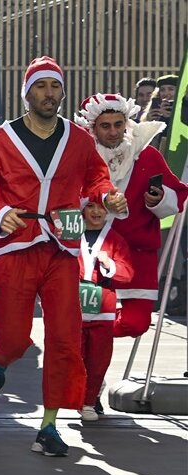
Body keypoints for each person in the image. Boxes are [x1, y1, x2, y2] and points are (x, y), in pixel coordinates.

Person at [0, 56, 128, 456]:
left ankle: (50, 424)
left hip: (62, 247)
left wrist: (105, 196)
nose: (49, 94)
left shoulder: (78, 139)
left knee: (64, 337)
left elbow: (95, 176)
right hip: (18, 244)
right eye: (41, 86)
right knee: (16, 339)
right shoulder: (2, 139)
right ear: (27, 92)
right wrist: (1, 215)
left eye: (54, 86)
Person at [73, 93, 188, 339]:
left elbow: (178, 194)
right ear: (92, 128)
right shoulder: (79, 159)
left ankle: (96, 332)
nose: (113, 132)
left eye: (119, 124)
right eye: (105, 126)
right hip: (89, 258)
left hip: (137, 257)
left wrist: (159, 199)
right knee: (79, 320)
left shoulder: (148, 156)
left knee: (136, 324)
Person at [77, 200, 132, 421]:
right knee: (74, 358)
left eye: (101, 207)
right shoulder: (70, 235)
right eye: (91, 206)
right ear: (82, 209)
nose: (97, 211)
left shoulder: (115, 239)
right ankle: (77, 397)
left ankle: (89, 402)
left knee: (98, 361)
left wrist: (109, 264)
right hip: (75, 310)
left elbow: (127, 273)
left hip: (104, 309)